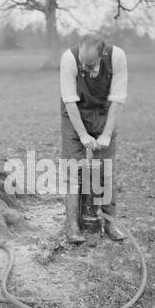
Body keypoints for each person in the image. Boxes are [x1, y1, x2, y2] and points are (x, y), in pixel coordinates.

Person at [60, 33, 128, 243]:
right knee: (73, 170)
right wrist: (82, 135)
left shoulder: (117, 57)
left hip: (103, 113)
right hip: (74, 114)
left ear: (102, 54)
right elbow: (69, 102)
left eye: (89, 65)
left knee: (105, 171)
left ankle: (109, 222)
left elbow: (117, 100)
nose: (84, 69)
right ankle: (72, 226)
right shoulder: (69, 59)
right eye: (83, 63)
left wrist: (106, 134)